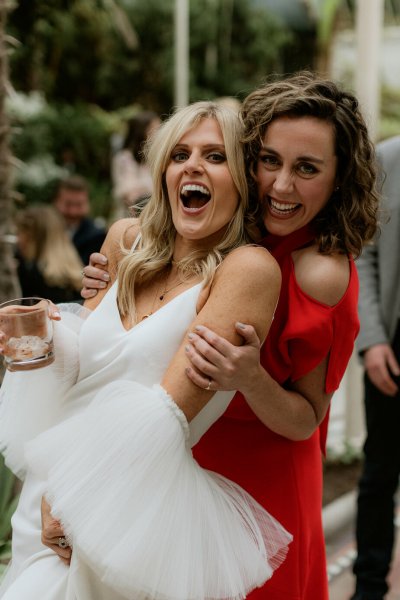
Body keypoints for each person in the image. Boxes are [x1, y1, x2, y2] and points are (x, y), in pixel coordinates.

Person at [82, 72, 380, 599]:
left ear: (339, 180)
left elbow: (307, 417)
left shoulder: (318, 273)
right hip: (174, 460)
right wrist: (116, 286)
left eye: (307, 169)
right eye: (270, 161)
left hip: (262, 487)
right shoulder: (218, 229)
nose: (282, 187)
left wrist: (250, 377)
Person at [0, 101, 291, 600]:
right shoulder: (123, 241)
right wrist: (45, 335)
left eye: (216, 157)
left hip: (128, 505)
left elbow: (169, 408)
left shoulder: (248, 270)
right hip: (48, 495)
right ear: (162, 172)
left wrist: (71, 493)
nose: (193, 166)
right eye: (180, 153)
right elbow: (88, 364)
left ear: (243, 181)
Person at [350, 135, 400, 600]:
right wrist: (373, 341)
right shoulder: (388, 158)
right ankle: (367, 586)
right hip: (393, 346)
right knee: (380, 470)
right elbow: (365, 252)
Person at [15, 204, 83, 303]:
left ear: (32, 237)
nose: (18, 239)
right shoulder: (79, 278)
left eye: (19, 232)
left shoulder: (32, 277)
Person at [111, 110, 161, 219]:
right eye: (154, 128)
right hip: (134, 217)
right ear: (142, 131)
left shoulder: (158, 157)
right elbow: (128, 192)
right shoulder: (125, 159)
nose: (159, 133)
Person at [53, 175, 107, 266]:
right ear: (56, 201)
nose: (73, 212)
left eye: (79, 205)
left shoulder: (97, 237)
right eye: (68, 204)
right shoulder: (44, 230)